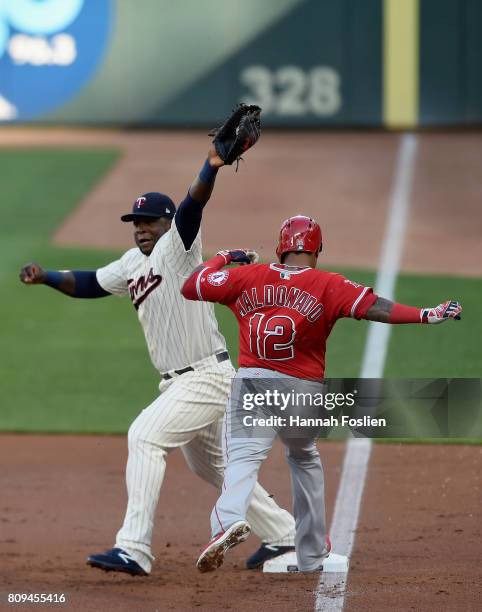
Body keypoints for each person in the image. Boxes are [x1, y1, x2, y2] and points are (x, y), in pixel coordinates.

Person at [19, 145, 296, 577]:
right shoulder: (133, 263)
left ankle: (134, 548)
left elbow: (192, 204)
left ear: (166, 224)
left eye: (149, 221)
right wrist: (46, 277)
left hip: (206, 375)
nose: (141, 229)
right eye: (136, 222)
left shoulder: (179, 247)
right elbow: (90, 283)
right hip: (181, 382)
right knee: (213, 465)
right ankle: (284, 534)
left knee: (144, 436)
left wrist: (211, 165)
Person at [181, 215, 462, 573]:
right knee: (304, 458)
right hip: (304, 390)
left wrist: (224, 257)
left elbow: (192, 285)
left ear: (281, 247)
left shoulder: (247, 276)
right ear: (317, 250)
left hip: (253, 383)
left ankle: (227, 522)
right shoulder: (329, 284)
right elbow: (377, 308)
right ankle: (312, 552)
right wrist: (425, 314)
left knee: (242, 460)